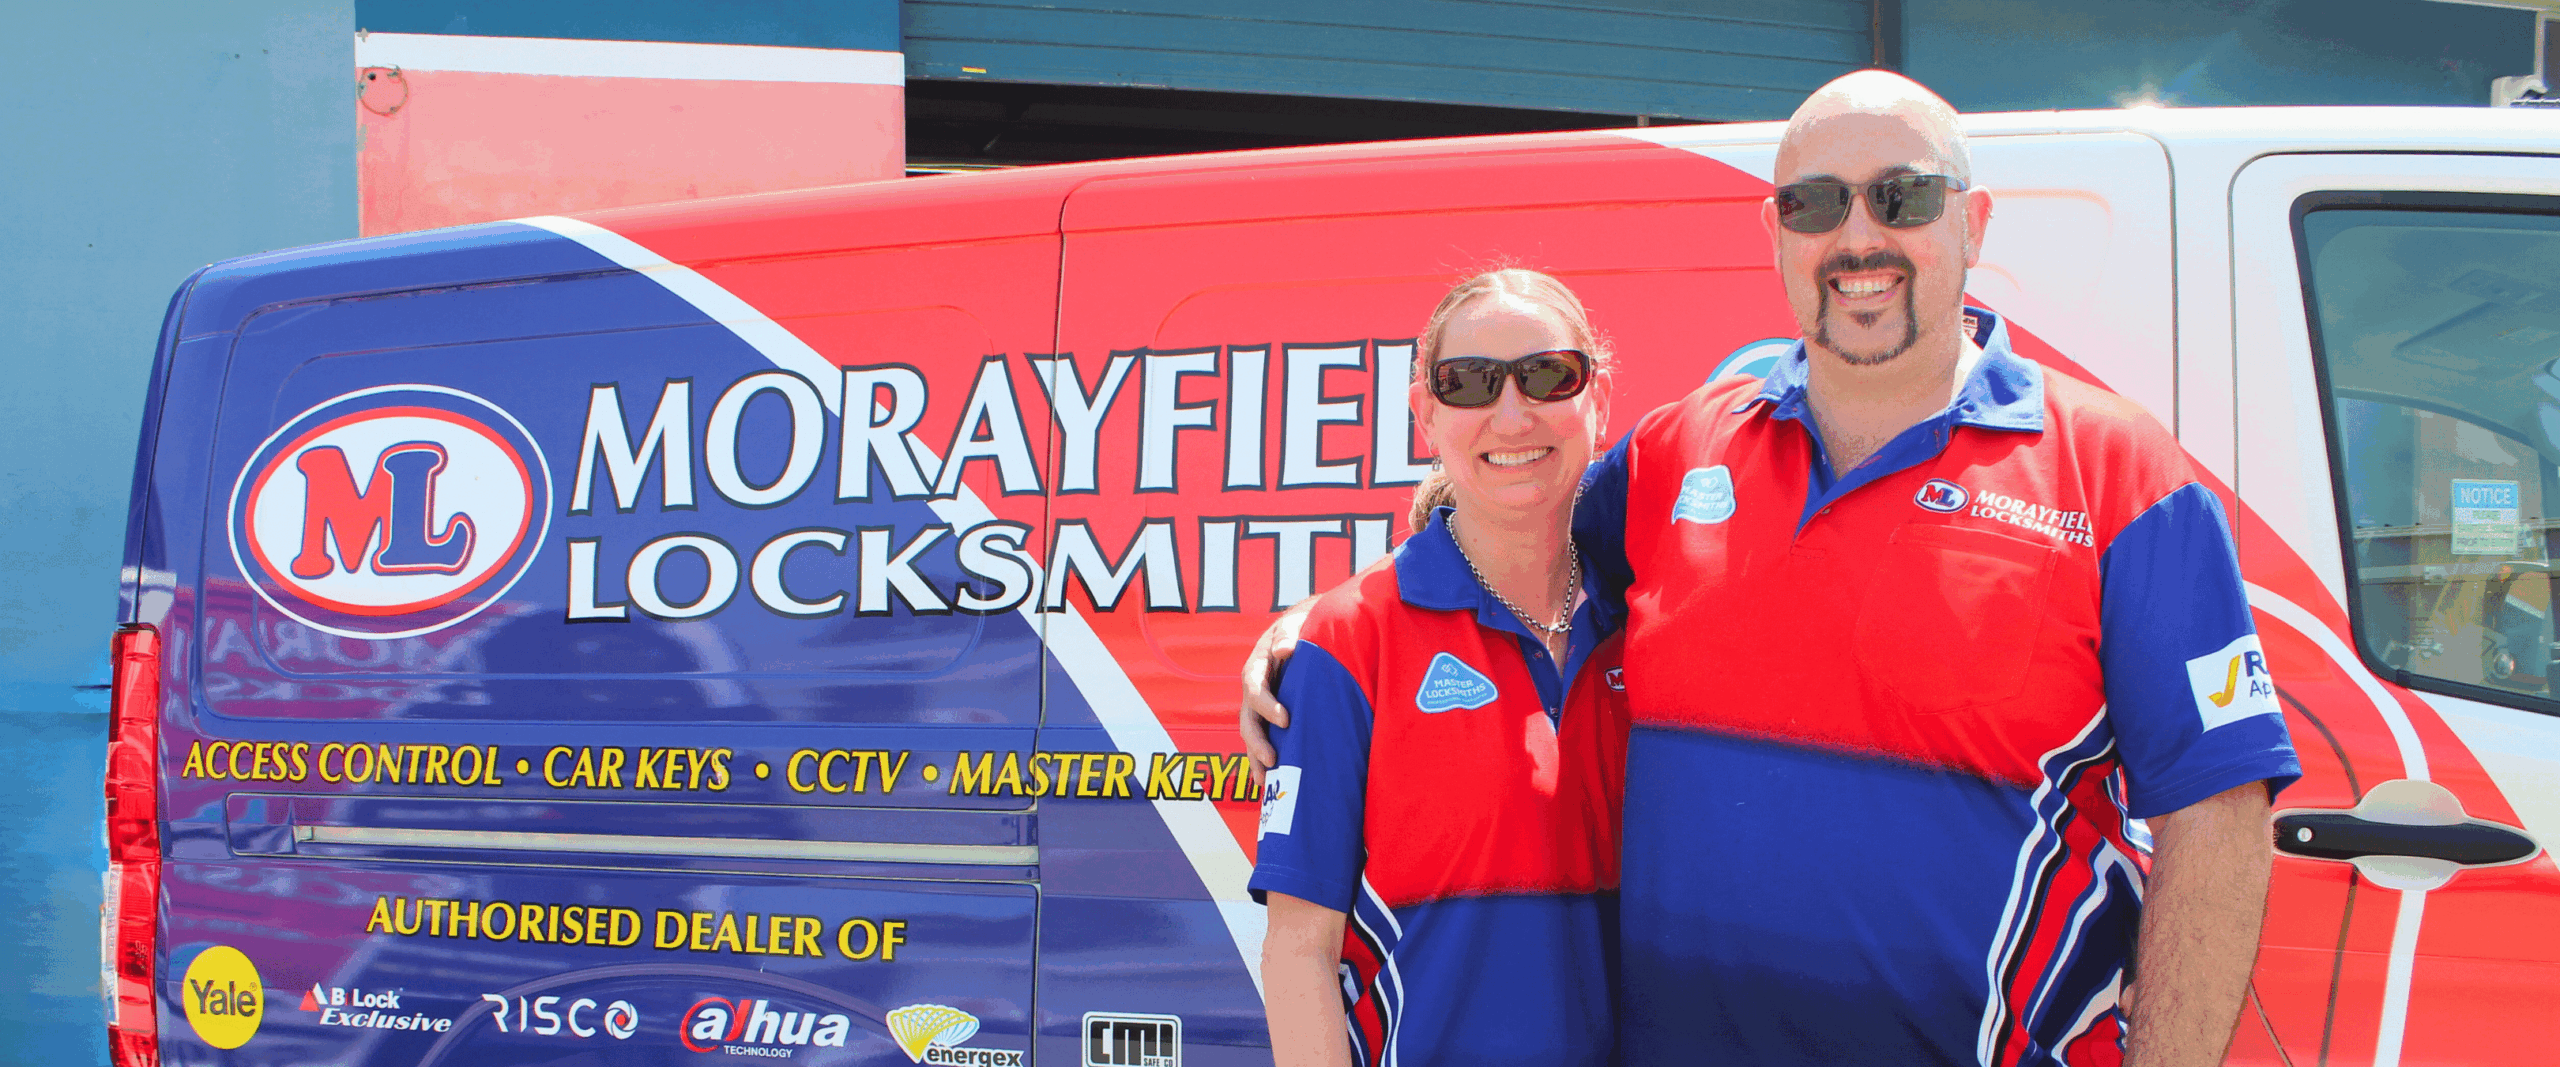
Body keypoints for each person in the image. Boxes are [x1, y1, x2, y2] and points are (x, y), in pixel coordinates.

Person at [1242, 72, 2299, 1067]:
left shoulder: (2121, 475)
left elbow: (2219, 812)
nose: (1858, 237)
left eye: (1902, 196)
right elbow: (1506, 534)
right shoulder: (1679, 452)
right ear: (1776, 232)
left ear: (1973, 224)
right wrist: (1312, 627)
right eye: (1815, 203)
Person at [1250, 269, 1630, 1067]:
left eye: (1548, 374)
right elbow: (1298, 953)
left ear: (1598, 398)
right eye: (1470, 383)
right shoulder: (1348, 641)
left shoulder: (1648, 620)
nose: (1512, 413)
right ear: (1425, 412)